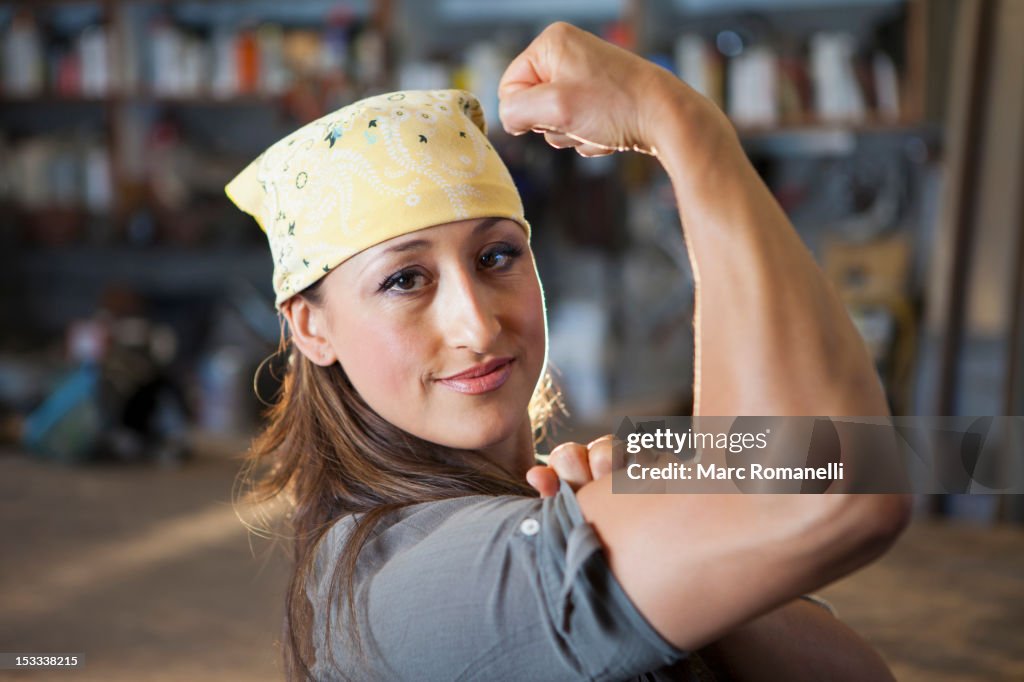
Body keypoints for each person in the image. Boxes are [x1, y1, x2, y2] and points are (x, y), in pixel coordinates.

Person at [227, 22, 911, 682]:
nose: (479, 325)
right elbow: (843, 489)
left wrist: (696, 543)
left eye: (497, 256)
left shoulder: (558, 495)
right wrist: (683, 125)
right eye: (405, 280)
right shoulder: (405, 584)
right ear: (311, 328)